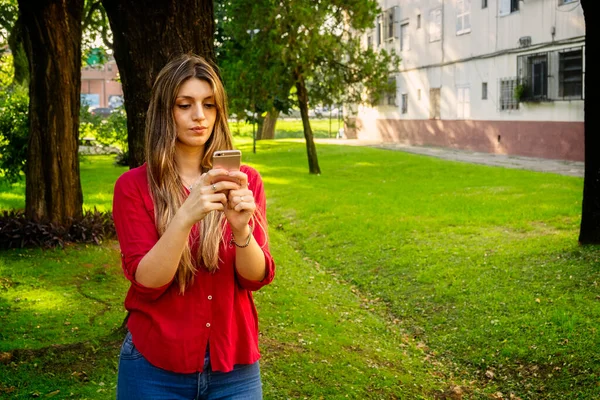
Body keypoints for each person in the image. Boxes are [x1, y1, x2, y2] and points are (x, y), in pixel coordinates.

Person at [112, 53, 276, 399]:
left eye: (209, 105)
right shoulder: (133, 187)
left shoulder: (245, 181)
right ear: (165, 112)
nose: (199, 116)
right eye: (184, 105)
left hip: (234, 369)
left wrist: (242, 230)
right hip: (154, 367)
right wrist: (185, 217)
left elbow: (254, 277)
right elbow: (147, 283)